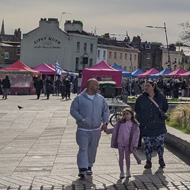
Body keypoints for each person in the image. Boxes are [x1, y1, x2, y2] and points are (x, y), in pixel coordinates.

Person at [70, 78, 110, 179]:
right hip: (83, 129)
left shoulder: (100, 99)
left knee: (92, 149)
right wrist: (82, 119)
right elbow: (73, 110)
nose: (98, 87)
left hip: (96, 129)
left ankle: (89, 165)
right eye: (96, 85)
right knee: (83, 148)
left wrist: (105, 122)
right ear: (90, 86)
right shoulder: (79, 98)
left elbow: (106, 111)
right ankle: (82, 168)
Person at [135, 80, 168, 169]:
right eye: (145, 86)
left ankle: (161, 159)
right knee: (147, 145)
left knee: (160, 145)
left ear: (153, 87)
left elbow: (165, 107)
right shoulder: (141, 98)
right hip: (146, 126)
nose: (146, 88)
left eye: (148, 86)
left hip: (159, 125)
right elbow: (137, 110)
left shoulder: (160, 97)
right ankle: (148, 161)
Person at [104, 107, 140, 179]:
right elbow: (114, 130)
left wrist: (135, 145)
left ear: (131, 115)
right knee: (121, 157)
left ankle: (128, 170)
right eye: (124, 114)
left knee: (127, 158)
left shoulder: (134, 125)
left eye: (127, 114)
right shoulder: (120, 123)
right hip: (120, 142)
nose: (126, 116)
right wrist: (107, 131)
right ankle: (122, 171)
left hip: (128, 144)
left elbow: (136, 136)